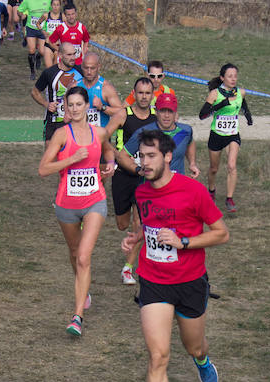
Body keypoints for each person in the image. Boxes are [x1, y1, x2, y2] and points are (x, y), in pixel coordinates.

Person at [120, 130, 229, 382]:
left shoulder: (193, 191)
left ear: (168, 157)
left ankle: (201, 360)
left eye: (151, 156)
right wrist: (136, 239)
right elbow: (150, 225)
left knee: (193, 344)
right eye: (141, 155)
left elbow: (222, 234)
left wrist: (183, 242)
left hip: (191, 282)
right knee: (158, 356)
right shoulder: (141, 192)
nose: (144, 162)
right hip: (153, 281)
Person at [38, 86, 116, 336]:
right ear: (66, 108)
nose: (74, 109)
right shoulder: (62, 134)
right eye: (70, 105)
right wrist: (71, 160)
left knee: (84, 256)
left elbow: (107, 150)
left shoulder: (100, 132)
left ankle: (77, 316)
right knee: (74, 253)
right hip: (67, 204)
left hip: (95, 200)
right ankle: (84, 289)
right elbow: (43, 169)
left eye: (78, 104)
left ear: (87, 106)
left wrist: (111, 165)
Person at [108, 77, 156, 285]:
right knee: (122, 224)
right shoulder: (122, 115)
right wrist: (115, 156)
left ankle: (128, 268)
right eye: (140, 93)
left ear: (152, 94)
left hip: (144, 177)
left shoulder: (156, 118)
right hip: (123, 174)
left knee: (140, 221)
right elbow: (103, 137)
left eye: (147, 93)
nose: (144, 97)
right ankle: (132, 243)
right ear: (133, 94)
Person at [199, 63, 253, 213]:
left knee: (231, 166)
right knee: (214, 168)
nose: (233, 79)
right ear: (222, 78)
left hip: (232, 135)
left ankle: (229, 199)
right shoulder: (214, 94)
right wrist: (222, 103)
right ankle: (211, 190)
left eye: (235, 76)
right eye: (230, 76)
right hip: (216, 135)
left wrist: (248, 115)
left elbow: (243, 104)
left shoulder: (241, 92)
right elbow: (202, 115)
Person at [117, 92, 199, 178]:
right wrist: (138, 170)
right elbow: (122, 156)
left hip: (177, 185)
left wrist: (192, 163)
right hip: (152, 187)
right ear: (156, 112)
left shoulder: (186, 131)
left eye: (170, 111)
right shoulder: (145, 132)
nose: (166, 115)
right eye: (163, 111)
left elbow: (189, 142)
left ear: (175, 113)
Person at [31, 42, 82, 141]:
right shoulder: (50, 73)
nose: (73, 58)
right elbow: (35, 92)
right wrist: (46, 104)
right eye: (69, 55)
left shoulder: (81, 71)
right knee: (51, 155)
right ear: (60, 55)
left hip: (77, 120)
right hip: (54, 120)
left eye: (74, 54)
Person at [76, 52, 122, 132]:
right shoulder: (75, 86)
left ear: (98, 67)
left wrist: (102, 107)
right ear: (82, 67)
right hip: (80, 135)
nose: (89, 72)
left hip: (100, 136)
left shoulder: (106, 88)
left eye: (92, 68)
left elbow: (120, 113)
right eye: (86, 68)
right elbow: (66, 114)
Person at [47, 1, 89, 66]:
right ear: (65, 15)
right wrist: (60, 50)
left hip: (78, 62)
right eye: (68, 15)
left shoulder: (82, 28)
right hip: (64, 63)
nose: (71, 17)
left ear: (76, 14)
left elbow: (86, 40)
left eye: (72, 14)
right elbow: (50, 41)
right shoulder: (61, 28)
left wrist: (84, 49)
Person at [18, 0, 50, 79]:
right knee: (31, 50)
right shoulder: (28, 1)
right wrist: (21, 15)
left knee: (42, 51)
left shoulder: (48, 1)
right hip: (31, 28)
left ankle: (38, 56)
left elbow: (53, 10)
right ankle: (32, 72)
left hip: (43, 29)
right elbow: (19, 10)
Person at [39, 0, 64, 68]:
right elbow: (38, 23)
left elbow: (68, 28)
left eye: (57, 5)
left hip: (58, 46)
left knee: (56, 69)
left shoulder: (63, 17)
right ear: (51, 6)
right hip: (48, 44)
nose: (55, 7)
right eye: (54, 5)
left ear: (60, 6)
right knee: (49, 69)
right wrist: (43, 31)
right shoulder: (46, 15)